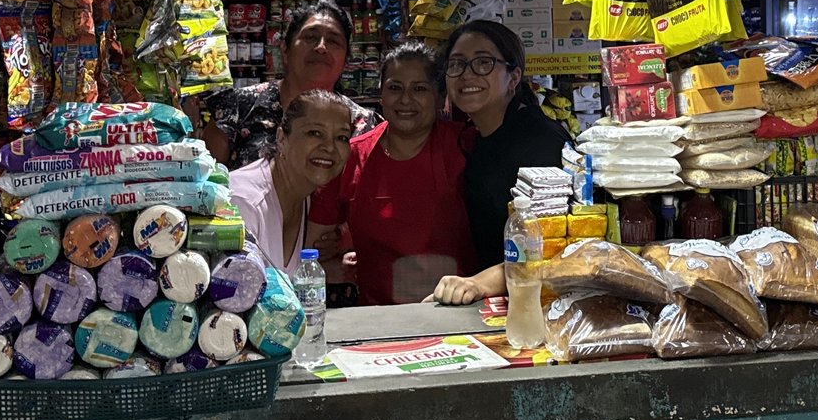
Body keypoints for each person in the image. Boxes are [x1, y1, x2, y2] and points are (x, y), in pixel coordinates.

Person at [309, 43, 475, 306]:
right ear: (381, 95)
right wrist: (336, 256)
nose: (405, 99)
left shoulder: (465, 147)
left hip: (458, 314)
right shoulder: (350, 157)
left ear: (440, 96)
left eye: (419, 89)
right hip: (379, 321)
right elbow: (313, 248)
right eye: (395, 88)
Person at [425, 20, 570, 306]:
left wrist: (478, 283)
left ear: (513, 77)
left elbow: (552, 248)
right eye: (457, 64)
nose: (467, 75)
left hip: (539, 303)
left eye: (483, 63)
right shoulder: (473, 136)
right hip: (497, 301)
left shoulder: (541, 142)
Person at [201, 0, 376, 169]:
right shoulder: (238, 107)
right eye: (310, 37)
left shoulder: (361, 124)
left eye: (333, 41)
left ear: (346, 60)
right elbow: (204, 182)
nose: (321, 47)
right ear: (285, 50)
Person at [229, 90, 356, 275]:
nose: (329, 147)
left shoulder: (305, 195)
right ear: (281, 138)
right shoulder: (244, 203)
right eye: (315, 133)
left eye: (342, 138)